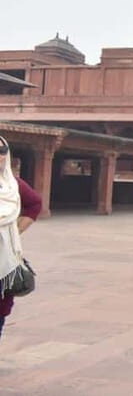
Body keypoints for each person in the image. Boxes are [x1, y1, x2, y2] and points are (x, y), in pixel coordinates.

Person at [0, 136, 43, 339]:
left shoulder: (12, 185)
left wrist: (15, 232)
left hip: (5, 258)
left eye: (2, 151)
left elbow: (35, 204)